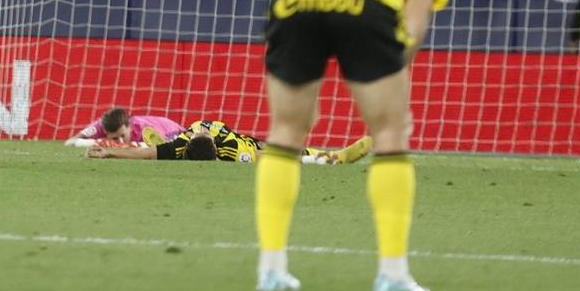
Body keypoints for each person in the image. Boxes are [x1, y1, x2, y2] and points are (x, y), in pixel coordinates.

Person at [246, 0, 450, 291]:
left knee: (287, 130)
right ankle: (392, 275)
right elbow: (414, 22)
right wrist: (388, 71)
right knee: (390, 130)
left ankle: (270, 271)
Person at [89, 120, 372, 165]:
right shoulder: (234, 152)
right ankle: (335, 157)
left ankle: (331, 156)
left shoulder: (182, 143)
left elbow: (149, 154)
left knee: (160, 144)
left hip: (172, 141)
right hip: (252, 144)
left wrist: (109, 153)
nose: (201, 131)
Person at [67, 107, 184, 148]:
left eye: (123, 136)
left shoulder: (144, 130)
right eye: (115, 138)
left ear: (130, 127)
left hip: (170, 130)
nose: (121, 142)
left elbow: (163, 149)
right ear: (105, 132)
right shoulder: (100, 126)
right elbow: (70, 142)